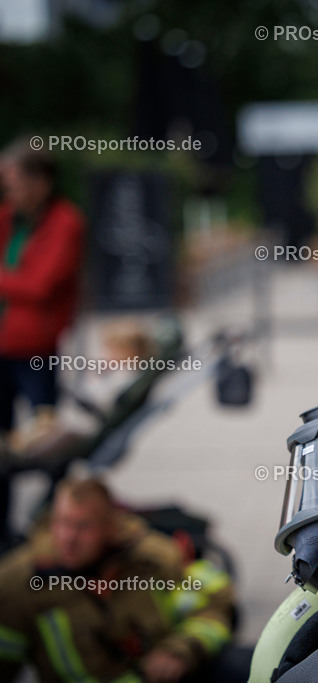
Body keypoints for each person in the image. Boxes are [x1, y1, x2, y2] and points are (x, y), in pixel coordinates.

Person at [0, 477, 240, 683]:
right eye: (63, 523)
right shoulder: (20, 581)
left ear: (110, 527)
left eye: (83, 526)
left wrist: (181, 649)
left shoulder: (153, 558)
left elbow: (216, 599)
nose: (68, 538)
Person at [0, 140, 85, 547]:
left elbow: (40, 285)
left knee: (47, 445)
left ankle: (51, 525)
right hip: (3, 348)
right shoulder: (9, 219)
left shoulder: (64, 222)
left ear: (41, 181)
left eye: (14, 181)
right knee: (4, 448)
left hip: (34, 349)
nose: (9, 190)